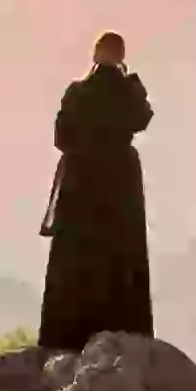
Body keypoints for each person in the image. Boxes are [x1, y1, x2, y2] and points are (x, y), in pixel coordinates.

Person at [37, 30, 153, 352]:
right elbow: (143, 118)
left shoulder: (77, 93)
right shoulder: (128, 92)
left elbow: (61, 137)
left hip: (81, 183)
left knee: (77, 257)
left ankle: (67, 337)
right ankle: (121, 331)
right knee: (120, 255)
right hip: (120, 182)